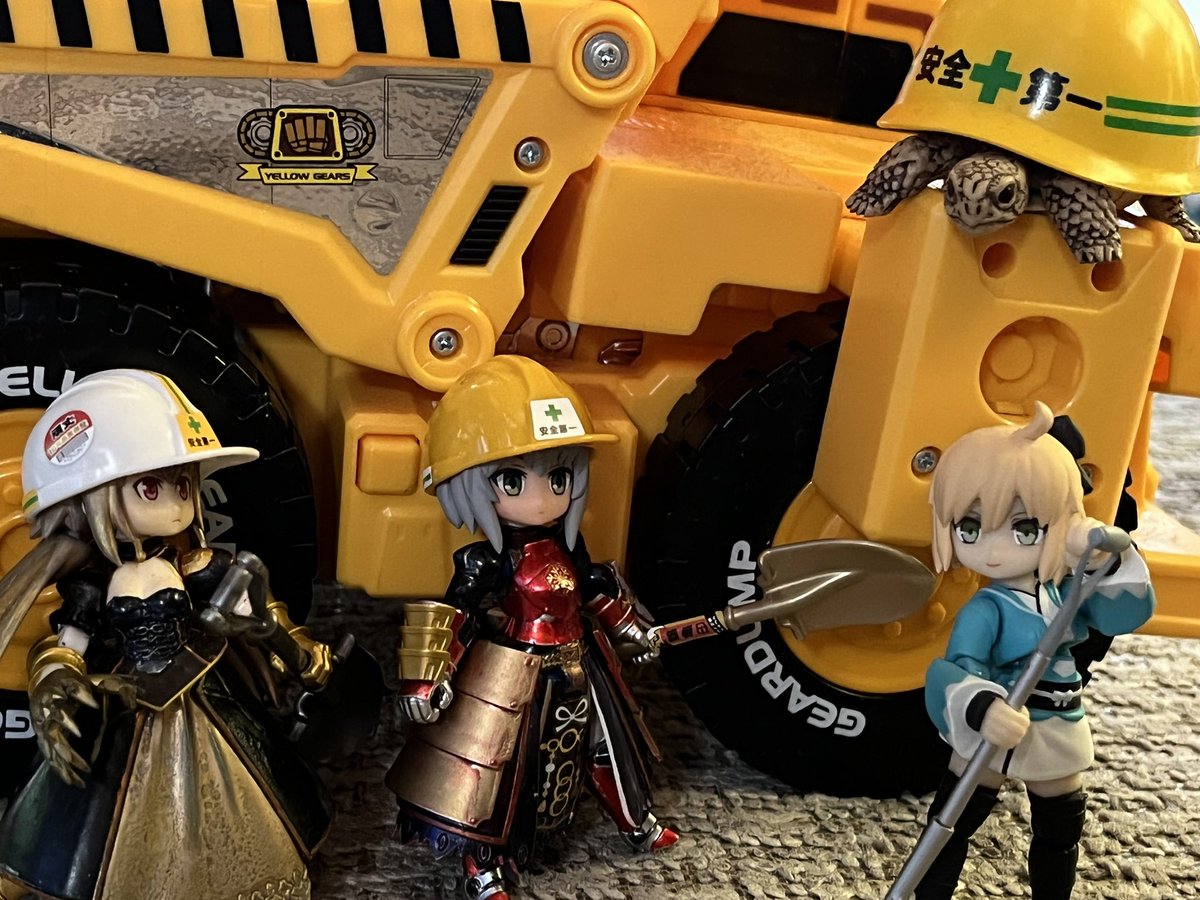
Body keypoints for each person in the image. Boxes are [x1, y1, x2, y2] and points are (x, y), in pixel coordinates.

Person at [0, 369, 331, 900]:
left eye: (184, 486)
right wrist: (55, 679)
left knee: (237, 793)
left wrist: (293, 645)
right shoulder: (92, 585)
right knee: (105, 810)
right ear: (93, 498)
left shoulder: (199, 566)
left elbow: (260, 610)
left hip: (202, 690)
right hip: (130, 701)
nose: (176, 505)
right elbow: (70, 642)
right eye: (151, 488)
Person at [386, 355, 677, 900]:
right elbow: (455, 613)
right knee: (496, 769)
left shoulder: (568, 545)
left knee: (606, 745)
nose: (542, 498)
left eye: (559, 477)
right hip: (513, 671)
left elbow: (593, 585)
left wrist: (632, 628)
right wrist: (426, 680)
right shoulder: (484, 561)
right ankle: (482, 865)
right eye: (513, 480)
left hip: (581, 658)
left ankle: (636, 821)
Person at [918, 402, 1155, 899]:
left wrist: (1103, 557)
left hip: (1058, 724)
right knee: (954, 822)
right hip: (996, 727)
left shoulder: (1064, 592)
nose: (993, 550)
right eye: (969, 529)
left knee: (1060, 830)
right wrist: (981, 706)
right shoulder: (987, 609)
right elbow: (954, 668)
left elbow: (1122, 613)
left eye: (1025, 529)